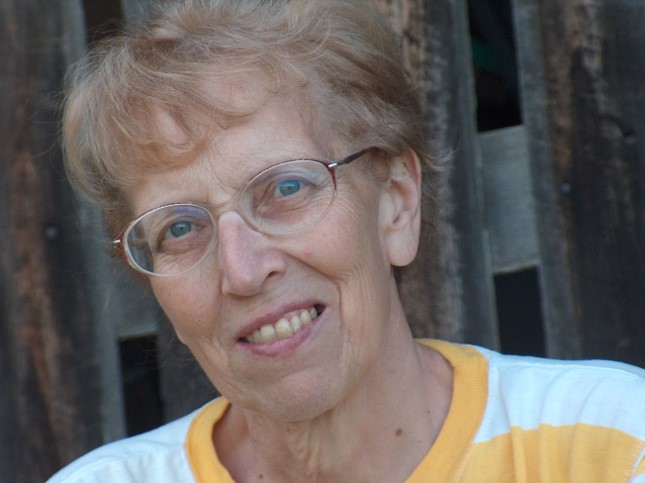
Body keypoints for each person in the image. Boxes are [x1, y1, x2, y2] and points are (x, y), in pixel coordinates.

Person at [50, 0, 645, 481]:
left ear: (396, 202)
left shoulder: (611, 446)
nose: (243, 270)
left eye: (286, 188)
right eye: (180, 228)